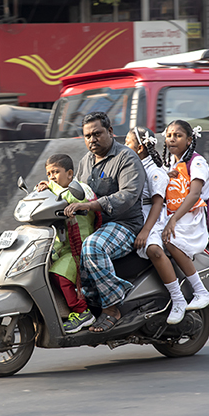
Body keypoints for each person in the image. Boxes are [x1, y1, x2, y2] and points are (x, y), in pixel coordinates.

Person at [65, 112, 145, 332]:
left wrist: (92, 205)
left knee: (92, 247)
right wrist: (49, 189)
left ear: (110, 131)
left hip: (125, 225)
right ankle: (87, 307)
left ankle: (112, 308)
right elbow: (75, 192)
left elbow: (128, 196)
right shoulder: (85, 162)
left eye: (97, 133)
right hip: (96, 226)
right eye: (87, 135)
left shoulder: (126, 157)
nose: (92, 139)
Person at [124, 126, 187, 324]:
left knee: (153, 250)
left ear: (140, 147)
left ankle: (178, 299)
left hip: (154, 218)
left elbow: (157, 203)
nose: (124, 147)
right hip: (138, 217)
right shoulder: (136, 168)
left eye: (128, 143)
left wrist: (145, 231)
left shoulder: (154, 172)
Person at [36, 154, 102, 333]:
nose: (52, 177)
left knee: (60, 276)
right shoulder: (56, 192)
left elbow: (78, 200)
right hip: (63, 248)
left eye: (56, 172)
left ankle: (82, 312)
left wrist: (51, 187)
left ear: (70, 174)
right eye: (49, 174)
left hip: (80, 249)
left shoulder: (80, 189)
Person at [161, 120, 209, 311]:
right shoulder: (173, 163)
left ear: (189, 139)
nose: (172, 139)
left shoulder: (197, 161)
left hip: (192, 216)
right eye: (169, 135)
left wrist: (173, 220)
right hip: (175, 213)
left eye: (178, 135)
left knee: (169, 240)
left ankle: (201, 291)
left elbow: (194, 194)